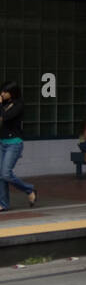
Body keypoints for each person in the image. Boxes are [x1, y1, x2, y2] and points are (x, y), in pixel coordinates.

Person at [0, 81, 37, 211]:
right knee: (1, 175)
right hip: (2, 142)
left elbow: (5, 117)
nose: (2, 94)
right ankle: (3, 204)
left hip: (14, 143)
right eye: (2, 91)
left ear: (12, 92)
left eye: (5, 91)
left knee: (6, 174)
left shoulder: (19, 105)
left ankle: (29, 189)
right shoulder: (4, 104)